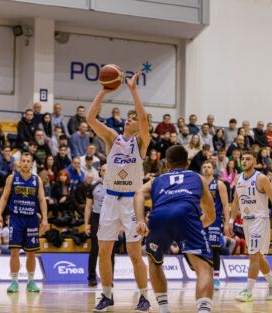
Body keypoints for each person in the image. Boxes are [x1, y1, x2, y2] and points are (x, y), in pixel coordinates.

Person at [87, 72, 151, 312]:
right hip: (110, 199)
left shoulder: (142, 142)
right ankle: (106, 295)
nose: (129, 120)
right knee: (104, 251)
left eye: (133, 119)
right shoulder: (112, 137)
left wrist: (133, 91)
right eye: (128, 117)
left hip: (132, 201)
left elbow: (144, 120)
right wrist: (104, 90)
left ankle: (144, 297)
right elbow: (91, 118)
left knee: (135, 253)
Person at [134, 145, 216, 313]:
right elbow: (211, 215)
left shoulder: (157, 179)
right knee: (204, 267)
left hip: (159, 217)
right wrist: (196, 225)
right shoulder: (197, 177)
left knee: (155, 262)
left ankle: (164, 310)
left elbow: (138, 194)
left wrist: (141, 220)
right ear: (187, 163)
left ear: (167, 165)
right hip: (186, 215)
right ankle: (204, 311)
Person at [228, 150, 272, 302]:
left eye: (247, 159)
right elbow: (236, 202)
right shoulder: (238, 178)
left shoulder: (262, 178)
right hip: (247, 221)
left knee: (253, 255)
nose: (244, 161)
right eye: (242, 159)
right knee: (258, 255)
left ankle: (248, 291)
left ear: (254, 162)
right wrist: (231, 222)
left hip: (260, 220)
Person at [0, 152, 49, 293]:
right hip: (16, 218)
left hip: (31, 219)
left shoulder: (36, 179)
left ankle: (30, 281)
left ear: (32, 164)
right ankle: (14, 282)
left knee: (31, 252)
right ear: (19, 163)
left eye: (28, 161)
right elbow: (4, 197)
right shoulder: (12, 178)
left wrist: (44, 218)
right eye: (23, 161)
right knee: (14, 251)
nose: (25, 163)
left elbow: (42, 200)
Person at [84, 164, 117, 287]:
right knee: (95, 249)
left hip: (111, 218)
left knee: (111, 250)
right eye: (103, 170)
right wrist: (86, 224)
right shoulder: (93, 187)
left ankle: (109, 279)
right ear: (100, 172)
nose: (105, 172)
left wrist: (120, 225)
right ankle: (91, 277)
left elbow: (119, 207)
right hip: (97, 218)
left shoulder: (116, 188)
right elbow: (88, 207)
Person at [202, 161, 230, 290]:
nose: (207, 169)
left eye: (209, 167)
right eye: (205, 167)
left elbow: (225, 205)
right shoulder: (198, 185)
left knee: (214, 249)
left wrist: (227, 223)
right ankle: (205, 277)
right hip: (201, 220)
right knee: (202, 249)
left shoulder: (219, 184)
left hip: (215, 220)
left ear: (213, 170)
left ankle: (216, 279)